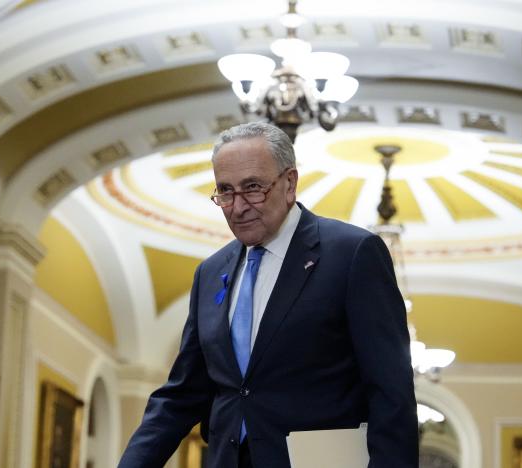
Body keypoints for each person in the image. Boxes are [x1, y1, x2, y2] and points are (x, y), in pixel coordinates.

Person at [118, 122, 417, 468]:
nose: (238, 206)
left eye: (253, 188)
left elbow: (390, 393)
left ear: (289, 183)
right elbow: (183, 394)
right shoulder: (211, 274)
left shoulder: (351, 254)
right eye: (225, 191)